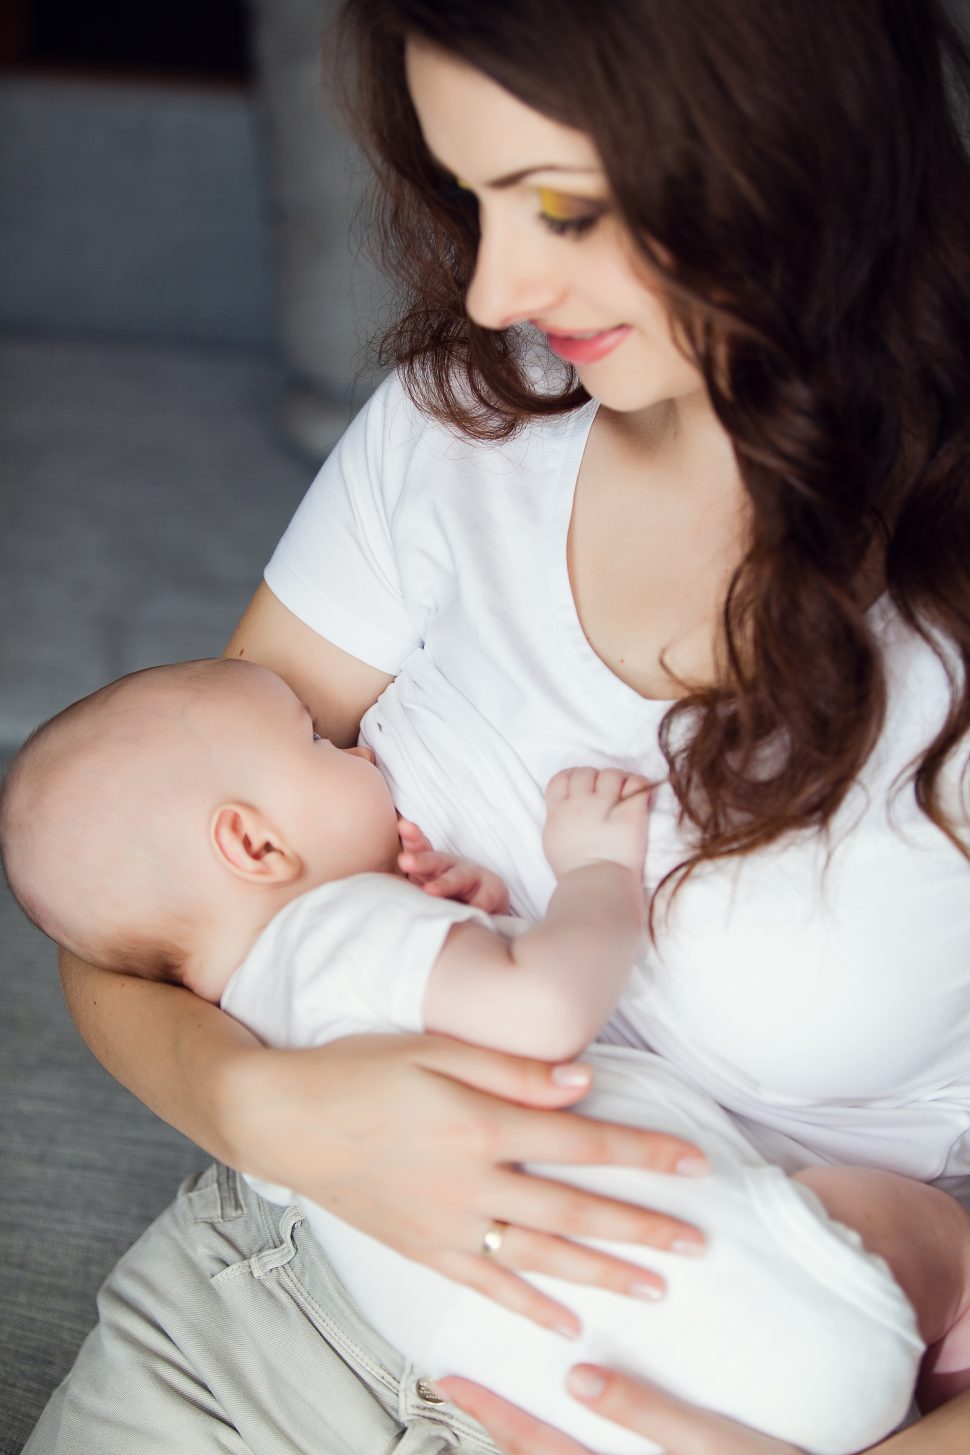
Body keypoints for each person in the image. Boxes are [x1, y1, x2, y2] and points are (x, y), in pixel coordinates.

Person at [22, 0, 970, 1450]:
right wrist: (261, 1111)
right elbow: (133, 904)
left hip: (710, 1389)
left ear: (793, 150)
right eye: (472, 199)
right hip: (271, 1305)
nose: (490, 290)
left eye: (564, 208)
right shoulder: (458, 429)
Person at [1, 656, 946, 1450]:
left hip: (574, 1391)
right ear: (252, 842)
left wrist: (451, 925)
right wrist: (597, 874)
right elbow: (541, 1009)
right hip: (755, 1323)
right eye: (322, 745)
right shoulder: (338, 927)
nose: (364, 747)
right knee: (913, 1224)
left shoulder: (257, 1011)